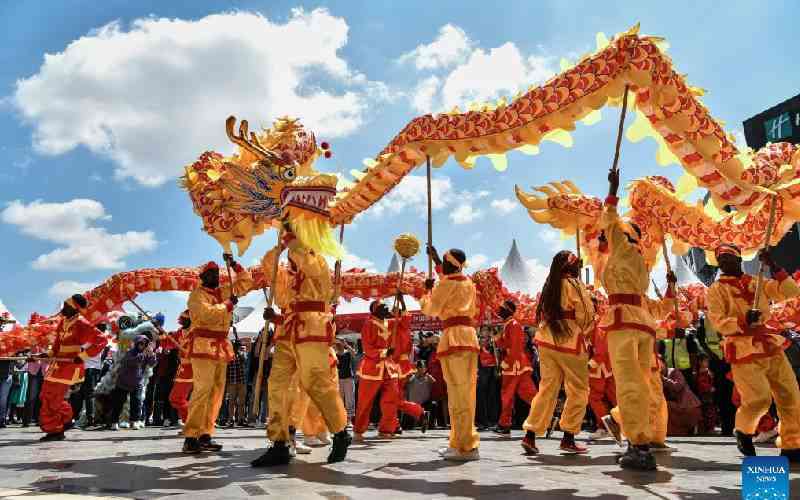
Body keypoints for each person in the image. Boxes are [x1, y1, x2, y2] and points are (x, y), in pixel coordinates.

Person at [251, 222, 350, 467]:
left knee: (315, 382)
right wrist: (280, 246)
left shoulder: (318, 262)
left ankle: (340, 432)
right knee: (277, 386)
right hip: (287, 332)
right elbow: (268, 267)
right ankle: (280, 443)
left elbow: (306, 261)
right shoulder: (287, 273)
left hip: (312, 328)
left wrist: (294, 239)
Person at [597, 168, 677, 470]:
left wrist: (612, 191)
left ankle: (638, 444)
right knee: (642, 386)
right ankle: (638, 437)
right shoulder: (639, 263)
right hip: (643, 325)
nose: (607, 237)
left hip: (624, 324)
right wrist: (670, 286)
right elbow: (664, 308)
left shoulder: (623, 246)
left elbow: (609, 221)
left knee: (631, 384)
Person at [705, 243, 800, 462]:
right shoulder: (716, 290)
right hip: (742, 349)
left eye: (729, 257)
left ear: (739, 260)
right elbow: (719, 322)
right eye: (721, 259)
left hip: (769, 344)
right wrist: (742, 320)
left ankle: (792, 444)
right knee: (759, 400)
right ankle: (744, 431)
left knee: (790, 395)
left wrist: (774, 266)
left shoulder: (758, 281)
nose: (724, 262)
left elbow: (791, 292)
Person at [520, 251, 594, 455]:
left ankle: (530, 435)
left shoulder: (549, 286)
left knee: (546, 388)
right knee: (579, 390)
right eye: (578, 264)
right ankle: (568, 437)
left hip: (546, 340)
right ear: (571, 267)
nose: (579, 267)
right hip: (570, 341)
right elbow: (586, 315)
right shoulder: (574, 284)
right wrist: (584, 331)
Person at [182, 257, 252, 454]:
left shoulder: (224, 291)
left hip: (221, 347)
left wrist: (234, 265)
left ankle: (205, 434)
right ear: (202, 277)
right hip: (203, 346)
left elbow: (247, 282)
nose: (214, 275)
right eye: (210, 273)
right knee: (202, 390)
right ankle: (190, 437)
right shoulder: (196, 295)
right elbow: (205, 315)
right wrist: (228, 305)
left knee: (216, 394)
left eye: (216, 272)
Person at [422, 245, 480, 461]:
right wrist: (437, 260)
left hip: (454, 336)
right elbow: (448, 281)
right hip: (468, 337)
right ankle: (463, 443)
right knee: (466, 394)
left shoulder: (446, 284)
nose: (442, 266)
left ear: (450, 264)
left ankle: (463, 448)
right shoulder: (468, 283)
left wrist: (427, 291)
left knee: (457, 395)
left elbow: (431, 309)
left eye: (444, 262)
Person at [35, 294, 108, 441]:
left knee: (53, 398)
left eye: (67, 307)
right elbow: (56, 346)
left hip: (68, 366)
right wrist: (46, 354)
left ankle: (56, 430)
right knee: (45, 395)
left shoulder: (82, 323)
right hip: (56, 365)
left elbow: (102, 340)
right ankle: (66, 420)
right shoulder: (63, 322)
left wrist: (82, 356)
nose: (63, 309)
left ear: (75, 309)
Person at [353, 300, 423, 441]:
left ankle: (387, 429)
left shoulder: (389, 323)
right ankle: (359, 431)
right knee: (365, 402)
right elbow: (367, 348)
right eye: (383, 307)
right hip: (372, 368)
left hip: (389, 368)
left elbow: (405, 322)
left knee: (390, 400)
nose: (387, 309)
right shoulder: (369, 324)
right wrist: (384, 352)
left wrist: (402, 301)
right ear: (375, 310)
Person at [493, 300, 537, 436]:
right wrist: (497, 339)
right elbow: (505, 344)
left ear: (509, 310)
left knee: (508, 396)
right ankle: (546, 416)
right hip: (517, 366)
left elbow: (516, 347)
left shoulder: (514, 325)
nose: (500, 311)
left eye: (502, 308)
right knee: (529, 394)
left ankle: (504, 425)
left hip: (514, 366)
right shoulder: (508, 325)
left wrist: (506, 362)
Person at [107, 335, 157, 430]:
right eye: (141, 343)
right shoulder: (130, 352)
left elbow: (152, 364)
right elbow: (132, 361)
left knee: (137, 403)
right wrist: (144, 355)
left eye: (144, 343)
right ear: (137, 343)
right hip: (123, 382)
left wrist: (152, 355)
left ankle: (135, 421)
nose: (142, 345)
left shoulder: (146, 353)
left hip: (137, 383)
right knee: (118, 403)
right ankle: (114, 422)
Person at [587, 324, 617, 440]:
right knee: (615, 397)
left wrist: (589, 365)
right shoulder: (594, 324)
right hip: (606, 366)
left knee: (594, 397)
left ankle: (607, 426)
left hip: (600, 368)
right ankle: (606, 426)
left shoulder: (596, 325)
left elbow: (601, 350)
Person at [476, 328, 500, 431]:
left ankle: (493, 420)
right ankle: (482, 421)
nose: (484, 336)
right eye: (482, 335)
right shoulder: (477, 345)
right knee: (481, 396)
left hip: (492, 371)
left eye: (487, 331)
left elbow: (498, 358)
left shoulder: (493, 345)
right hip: (481, 370)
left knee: (492, 396)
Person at [225, 341, 248, 427]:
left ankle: (241, 419)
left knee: (241, 402)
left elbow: (244, 359)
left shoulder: (242, 354)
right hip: (232, 381)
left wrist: (239, 351)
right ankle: (231, 419)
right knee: (231, 401)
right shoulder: (229, 354)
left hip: (242, 381)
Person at [335, 339, 356, 426]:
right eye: (338, 344)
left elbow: (354, 354)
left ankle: (349, 419)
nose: (339, 345)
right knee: (339, 400)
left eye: (340, 344)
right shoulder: (335, 354)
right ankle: (340, 419)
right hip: (339, 379)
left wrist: (346, 345)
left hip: (348, 378)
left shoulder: (347, 352)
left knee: (349, 399)